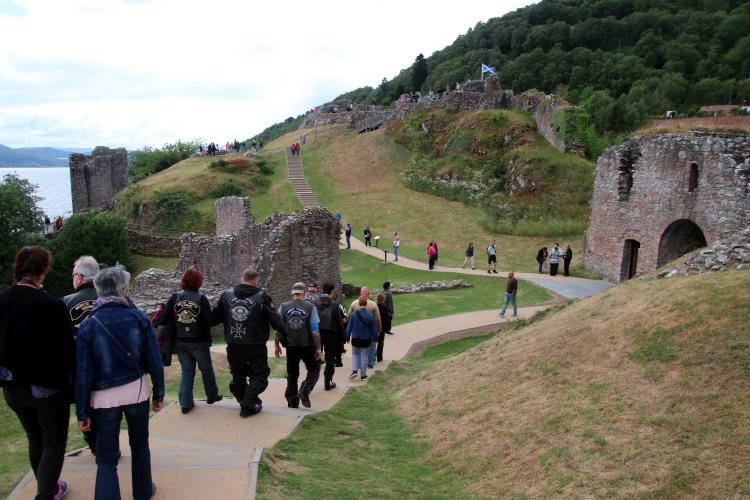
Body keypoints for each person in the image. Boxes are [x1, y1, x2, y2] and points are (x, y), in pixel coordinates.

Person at [75, 266, 164, 500]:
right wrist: (158, 394)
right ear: (123, 289)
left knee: (106, 455)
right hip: (136, 391)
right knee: (140, 444)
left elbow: (83, 373)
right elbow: (153, 359)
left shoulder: (88, 325)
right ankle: (142, 491)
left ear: (98, 291)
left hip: (103, 398)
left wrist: (82, 412)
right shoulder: (138, 318)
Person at [1, 246, 75, 500]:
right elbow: (68, 351)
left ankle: (49, 488)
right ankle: (46, 494)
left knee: (35, 439)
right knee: (54, 443)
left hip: (13, 386)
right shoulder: (53, 306)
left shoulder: (2, 300)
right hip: (47, 388)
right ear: (44, 270)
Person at [213, 268, 285, 417]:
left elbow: (213, 319)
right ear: (256, 281)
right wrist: (287, 336)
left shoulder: (226, 296)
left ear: (242, 278)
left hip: (233, 343)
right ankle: (247, 404)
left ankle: (246, 400)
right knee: (260, 376)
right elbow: (277, 322)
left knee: (237, 374)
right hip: (255, 344)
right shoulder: (262, 297)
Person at [161, 268, 222, 414]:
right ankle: (212, 395)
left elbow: (163, 319)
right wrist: (221, 314)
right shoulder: (201, 299)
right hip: (198, 341)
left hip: (180, 341)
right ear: (198, 282)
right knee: (206, 368)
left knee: (187, 372)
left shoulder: (175, 297)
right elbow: (209, 322)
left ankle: (186, 403)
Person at [63, 255, 101, 454]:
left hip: (79, 367)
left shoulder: (66, 303)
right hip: (108, 366)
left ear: (79, 277)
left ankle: (95, 445)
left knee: (85, 408)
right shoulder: (109, 298)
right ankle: (106, 444)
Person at [276, 282, 321, 408]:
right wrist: (318, 348)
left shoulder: (283, 306)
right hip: (306, 344)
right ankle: (304, 391)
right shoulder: (310, 307)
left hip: (290, 345)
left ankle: (292, 401)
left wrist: (276, 345)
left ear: (292, 292)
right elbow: (315, 332)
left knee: (292, 374)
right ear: (305, 292)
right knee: (314, 369)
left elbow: (278, 329)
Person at [315, 283, 345, 390]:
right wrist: (343, 337)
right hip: (330, 334)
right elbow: (339, 323)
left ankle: (311, 381)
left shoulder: (315, 303)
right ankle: (328, 382)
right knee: (330, 359)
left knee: (315, 357)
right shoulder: (334, 305)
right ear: (332, 292)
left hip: (317, 333)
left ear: (323, 291)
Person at [345, 294, 378, 381]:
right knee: (364, 357)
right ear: (366, 304)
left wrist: (347, 336)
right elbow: (374, 329)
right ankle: (363, 375)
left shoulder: (353, 314)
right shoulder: (370, 315)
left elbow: (349, 327)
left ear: (359, 303)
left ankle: (355, 370)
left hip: (356, 338)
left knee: (355, 354)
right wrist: (375, 338)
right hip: (366, 339)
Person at [330, 291, 347, 367]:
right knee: (338, 346)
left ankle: (332, 360)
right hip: (337, 328)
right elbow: (344, 320)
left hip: (328, 328)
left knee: (331, 346)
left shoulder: (325, 305)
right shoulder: (338, 306)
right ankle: (338, 362)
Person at [375, 293, 389, 363]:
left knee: (373, 342)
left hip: (374, 327)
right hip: (382, 327)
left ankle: (372, 356)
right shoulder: (385, 308)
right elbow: (387, 319)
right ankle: (379, 357)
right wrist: (387, 328)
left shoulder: (374, 307)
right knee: (380, 342)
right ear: (383, 300)